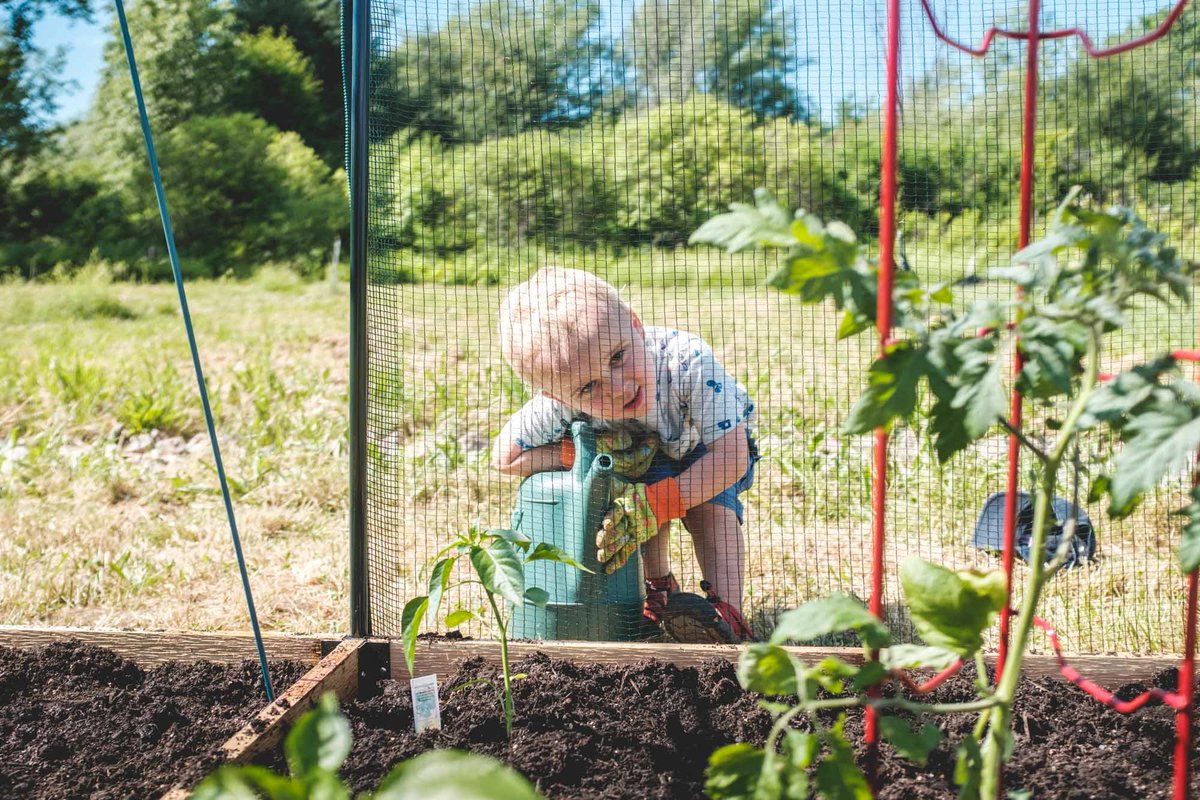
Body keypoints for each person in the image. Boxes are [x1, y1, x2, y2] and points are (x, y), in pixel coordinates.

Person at [492, 266, 758, 643]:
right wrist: (577, 453)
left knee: (710, 511)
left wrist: (661, 501)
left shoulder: (685, 362)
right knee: (628, 504)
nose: (617, 388)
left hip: (707, 451)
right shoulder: (556, 407)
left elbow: (732, 457)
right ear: (558, 397)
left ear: (636, 325)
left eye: (618, 356)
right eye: (588, 386)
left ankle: (727, 614)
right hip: (645, 462)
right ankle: (657, 591)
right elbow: (506, 457)